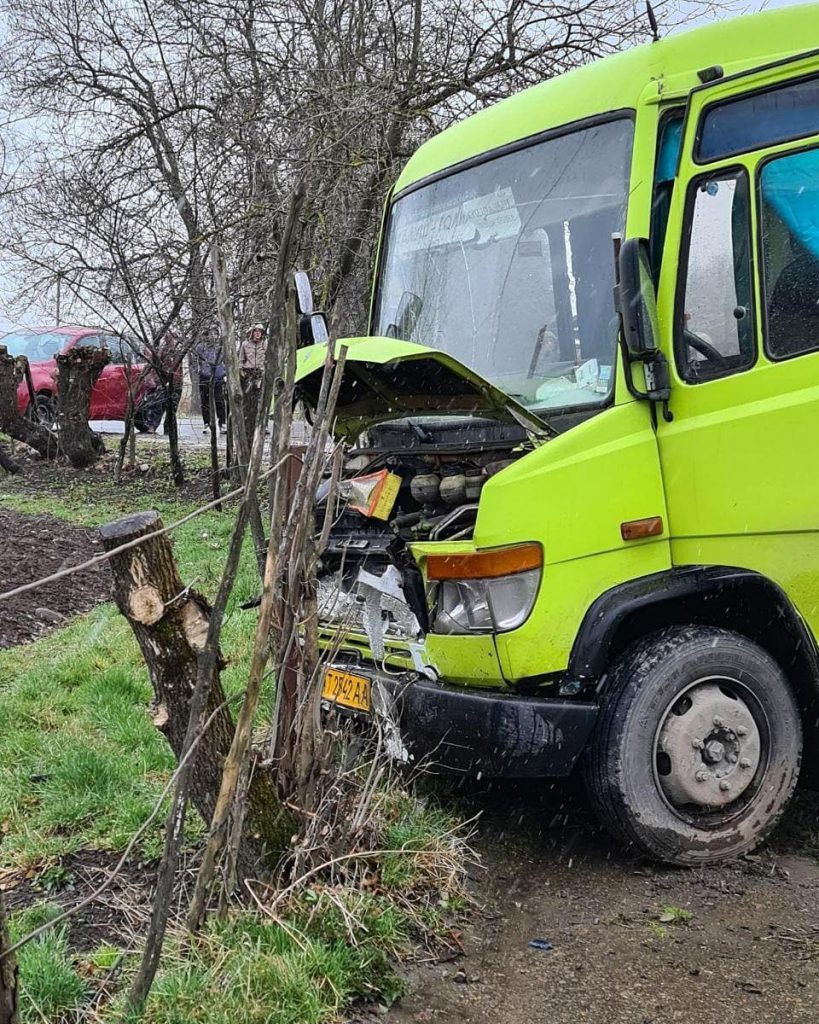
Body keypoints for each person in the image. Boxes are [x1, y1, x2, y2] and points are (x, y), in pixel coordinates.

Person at [141, 329, 185, 434]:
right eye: (167, 338)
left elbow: (179, 370)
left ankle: (169, 430)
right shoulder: (163, 351)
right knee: (157, 404)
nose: (170, 341)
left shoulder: (179, 352)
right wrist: (159, 381)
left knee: (172, 408)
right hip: (164, 382)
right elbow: (157, 366)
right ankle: (152, 426)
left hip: (176, 383)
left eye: (171, 338)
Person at [195, 327, 226, 433]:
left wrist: (225, 373)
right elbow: (196, 355)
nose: (213, 336)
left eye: (215, 334)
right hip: (205, 375)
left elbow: (226, 361)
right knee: (205, 401)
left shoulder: (221, 347)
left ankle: (222, 423)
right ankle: (206, 423)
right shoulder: (201, 347)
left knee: (219, 401)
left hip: (218, 376)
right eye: (210, 334)